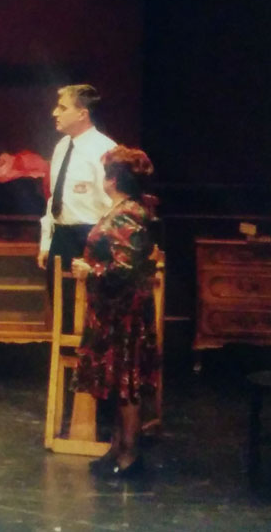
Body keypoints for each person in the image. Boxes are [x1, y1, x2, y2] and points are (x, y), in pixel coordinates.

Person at [70, 146, 160, 478]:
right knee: (117, 380)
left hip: (123, 312)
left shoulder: (127, 214)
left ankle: (129, 456)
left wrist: (89, 270)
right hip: (112, 310)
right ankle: (117, 448)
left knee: (126, 382)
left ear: (113, 179)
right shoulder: (126, 209)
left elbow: (124, 268)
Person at [37, 85, 116, 322]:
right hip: (62, 235)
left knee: (90, 310)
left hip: (91, 235)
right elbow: (54, 197)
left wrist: (105, 247)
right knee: (62, 307)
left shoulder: (104, 149)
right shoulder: (62, 147)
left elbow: (113, 202)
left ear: (82, 113)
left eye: (63, 108)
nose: (55, 113)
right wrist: (47, 241)